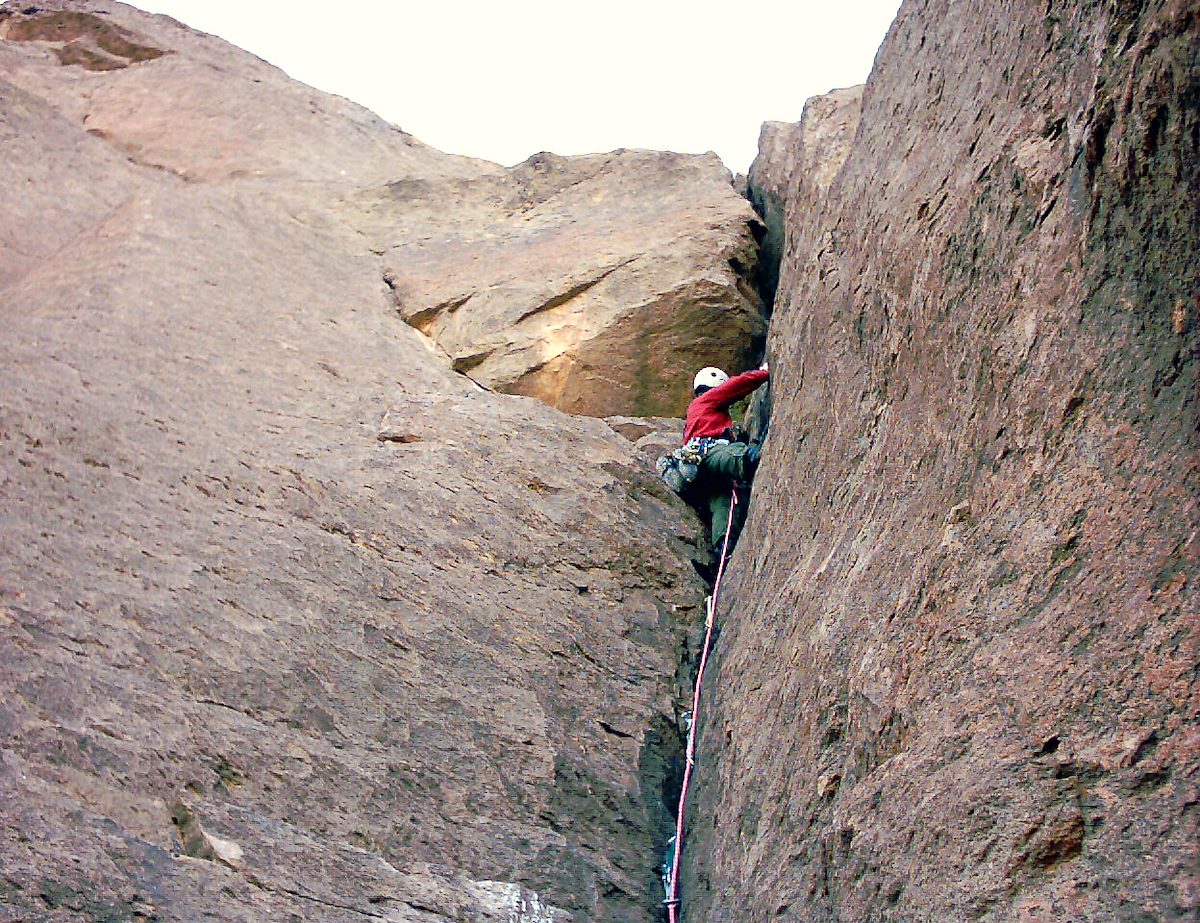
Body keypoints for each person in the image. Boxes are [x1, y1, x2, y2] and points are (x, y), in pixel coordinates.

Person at [682, 362, 769, 564]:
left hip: (701, 472)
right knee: (743, 459)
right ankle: (747, 459)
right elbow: (736, 387)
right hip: (710, 453)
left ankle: (723, 546)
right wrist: (762, 373)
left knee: (723, 500)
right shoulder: (706, 400)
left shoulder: (696, 414)